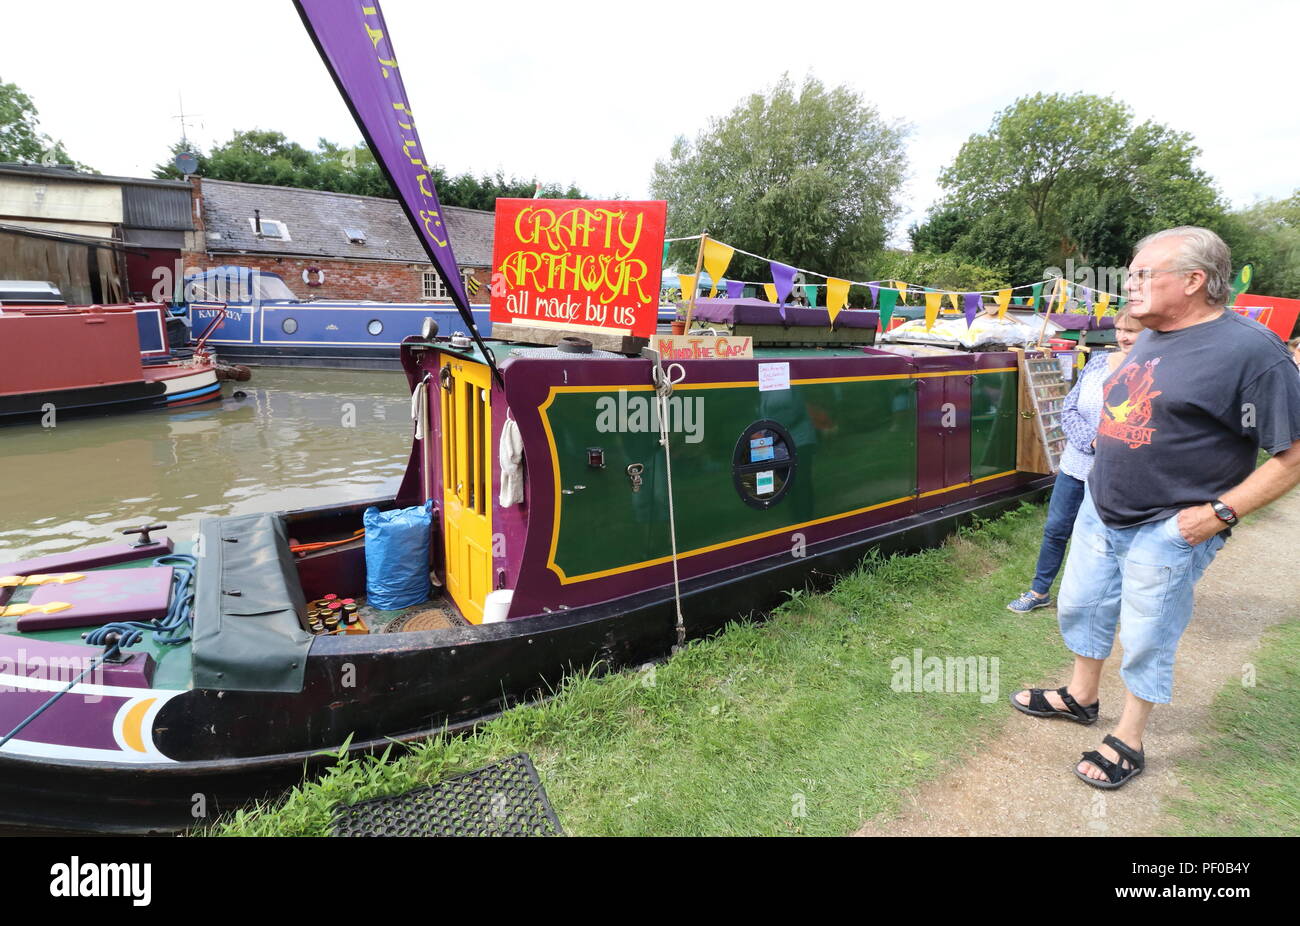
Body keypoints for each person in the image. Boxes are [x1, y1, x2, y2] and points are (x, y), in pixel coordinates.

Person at [1010, 226, 1300, 789]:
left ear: (1194, 281)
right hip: (1103, 504)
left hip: (1173, 526)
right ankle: (1080, 696)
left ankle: (1130, 737)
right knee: (1082, 605)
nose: (1130, 286)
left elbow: (1292, 454)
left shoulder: (1252, 352)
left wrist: (1218, 515)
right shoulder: (1150, 333)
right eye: (1131, 273)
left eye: (1145, 274)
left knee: (1147, 632)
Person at [1007, 307, 1144, 612]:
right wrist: (1091, 440)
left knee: (1106, 539)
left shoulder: (1151, 372)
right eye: (1120, 330)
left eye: (1131, 331)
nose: (1123, 337)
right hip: (1075, 466)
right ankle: (1039, 592)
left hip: (1117, 472)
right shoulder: (1096, 364)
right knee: (1056, 529)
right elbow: (1068, 409)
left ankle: (1105, 600)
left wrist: (1110, 445)